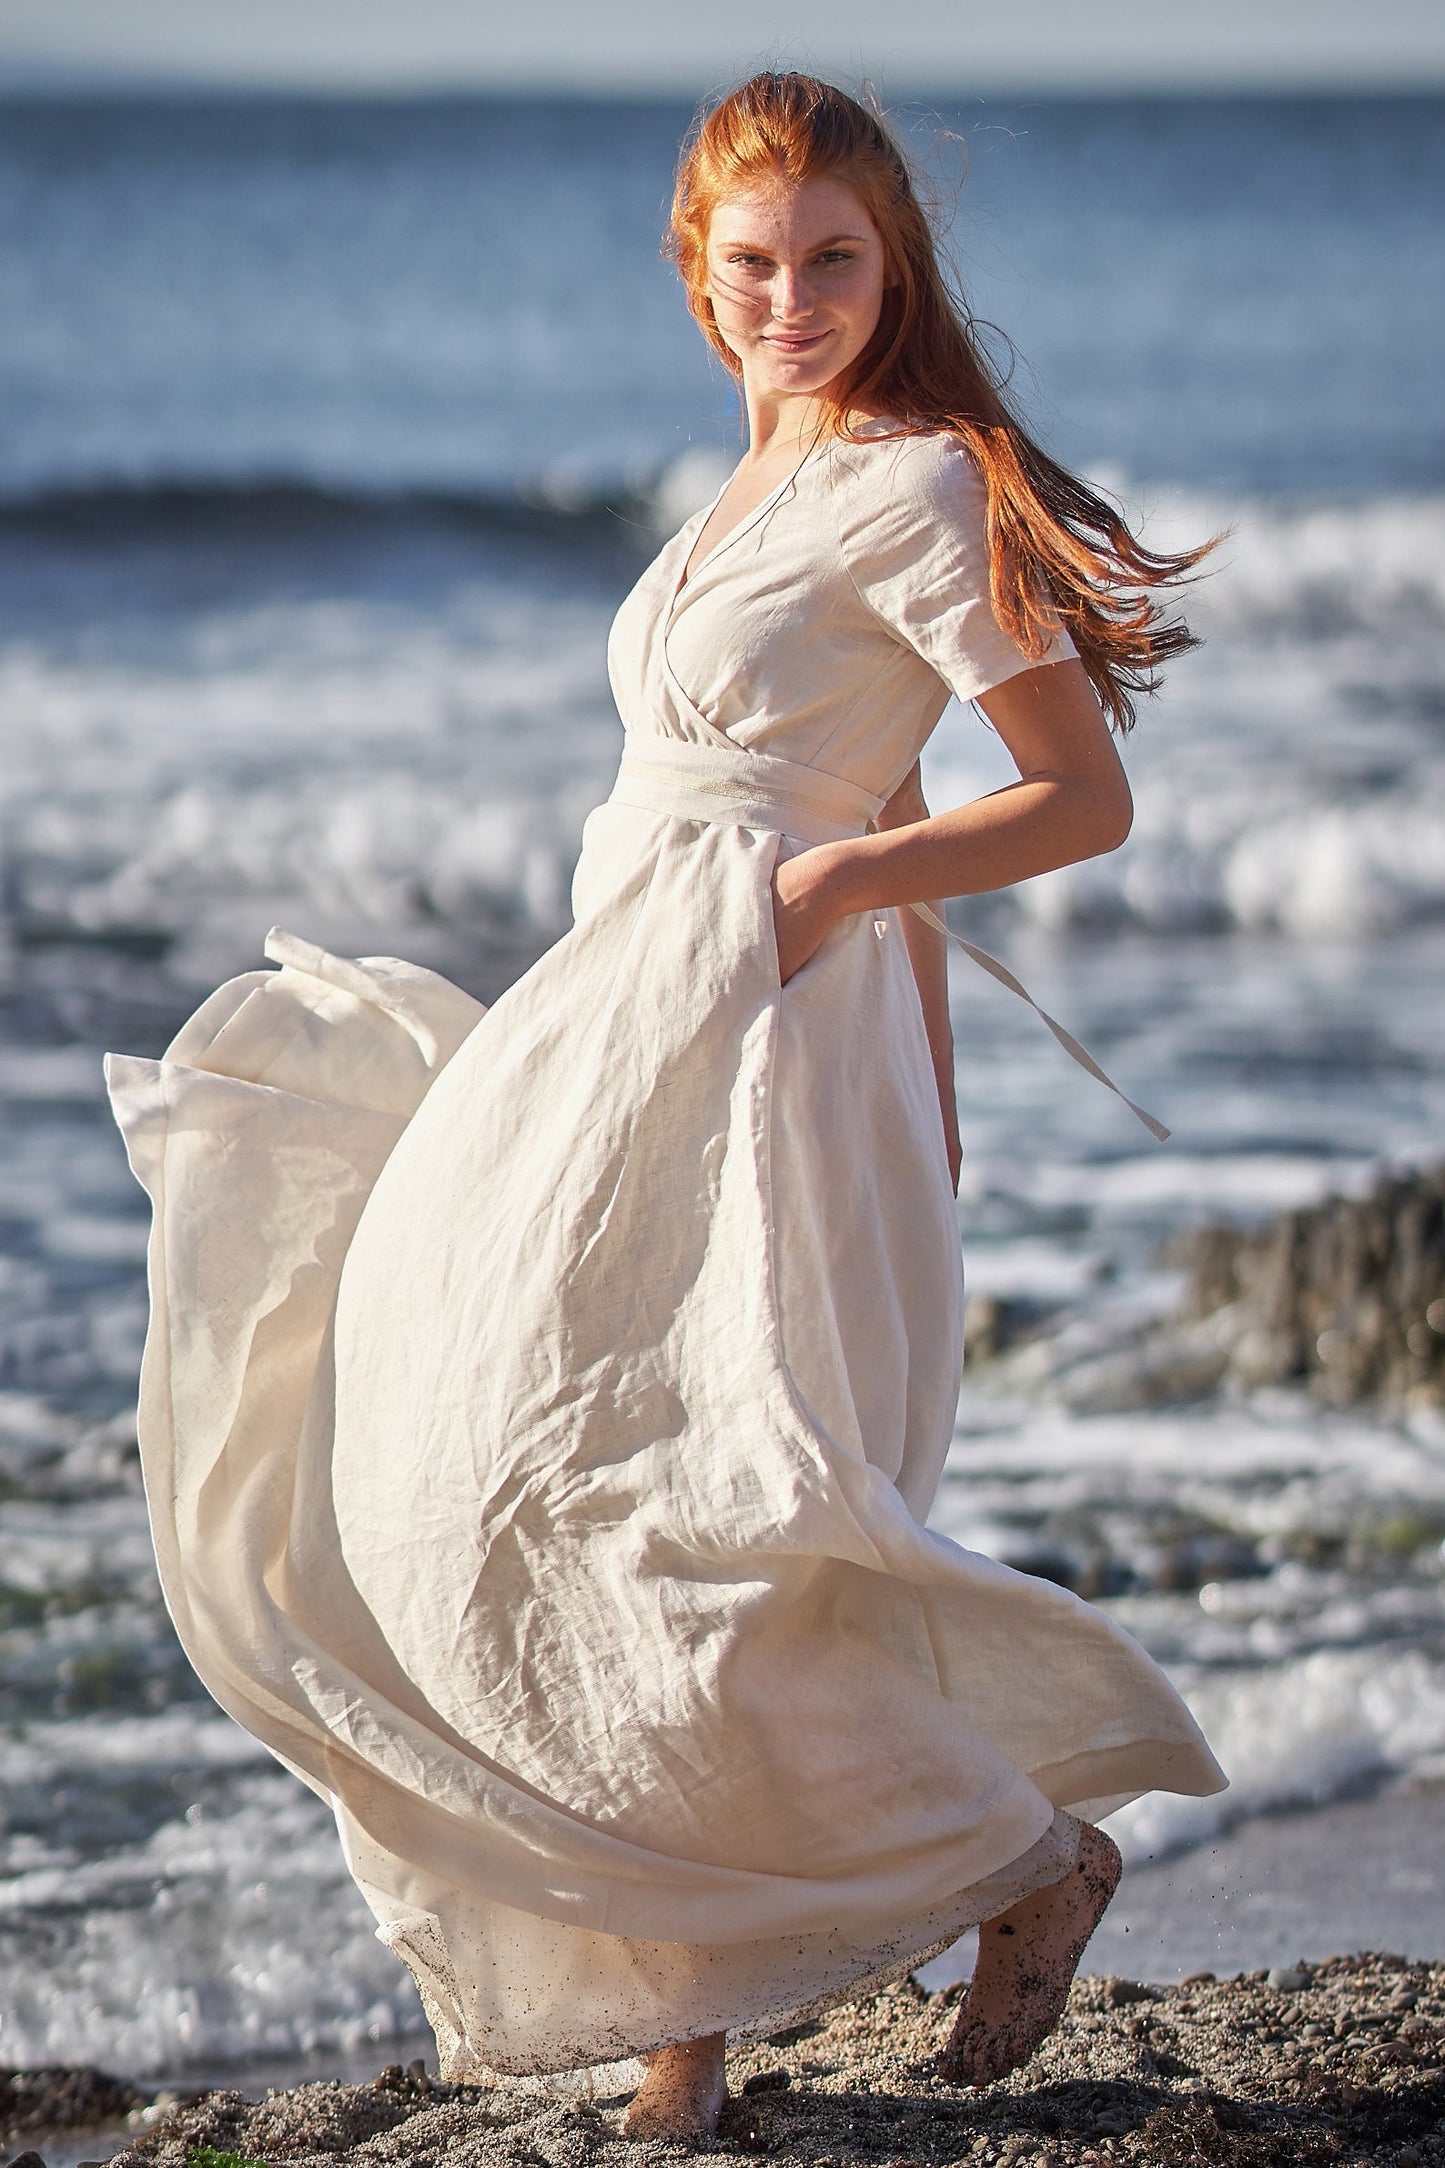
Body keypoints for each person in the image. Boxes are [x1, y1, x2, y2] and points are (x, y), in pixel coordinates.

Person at [106, 71, 1225, 2146]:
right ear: (696, 280)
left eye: (833, 260)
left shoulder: (913, 484)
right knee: (477, 1450)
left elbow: (1079, 797)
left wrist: (835, 914)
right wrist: (854, 945)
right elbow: (867, 761)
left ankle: (1025, 1860)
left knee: (667, 1506)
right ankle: (682, 2025)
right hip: (632, 1007)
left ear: (893, 267)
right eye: (753, 263)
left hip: (759, 1031)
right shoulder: (752, 474)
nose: (791, 297)